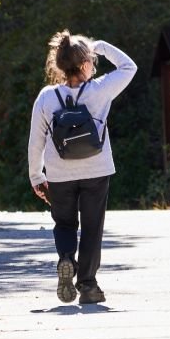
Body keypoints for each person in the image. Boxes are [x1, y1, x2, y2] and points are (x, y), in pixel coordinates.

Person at [28, 30, 137, 304]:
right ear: (86, 64)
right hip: (96, 171)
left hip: (59, 173)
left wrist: (36, 176)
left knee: (64, 223)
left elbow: (35, 140)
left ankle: (66, 259)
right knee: (92, 227)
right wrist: (99, 46)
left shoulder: (46, 97)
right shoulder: (101, 90)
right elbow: (129, 66)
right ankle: (88, 285)